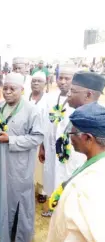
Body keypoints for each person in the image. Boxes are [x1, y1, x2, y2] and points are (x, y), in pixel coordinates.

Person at [0, 72, 44, 242]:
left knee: (18, 200)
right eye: (5, 88)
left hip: (18, 166)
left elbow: (37, 137)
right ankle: (3, 233)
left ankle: (18, 236)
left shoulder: (31, 110)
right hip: (0, 162)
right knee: (1, 196)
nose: (7, 92)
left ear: (22, 89)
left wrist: (11, 140)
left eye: (12, 89)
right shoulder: (0, 106)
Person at [47, 102, 105, 242]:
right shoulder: (95, 164)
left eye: (71, 133)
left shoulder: (89, 185)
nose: (69, 138)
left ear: (87, 138)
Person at [38, 65, 85, 217]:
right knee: (52, 176)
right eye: (60, 78)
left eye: (67, 78)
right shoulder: (50, 98)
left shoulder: (79, 101)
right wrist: (42, 147)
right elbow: (45, 123)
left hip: (71, 151)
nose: (63, 82)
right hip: (51, 147)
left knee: (67, 177)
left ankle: (66, 211)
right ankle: (54, 207)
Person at [26, 71, 50, 204]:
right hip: (27, 137)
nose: (35, 83)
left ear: (44, 84)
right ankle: (29, 187)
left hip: (41, 138)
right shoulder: (25, 98)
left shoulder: (47, 100)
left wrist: (44, 144)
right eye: (33, 81)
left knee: (40, 164)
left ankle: (42, 191)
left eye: (39, 81)